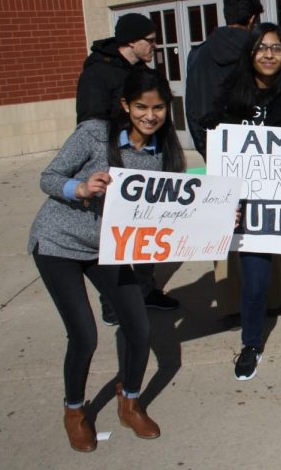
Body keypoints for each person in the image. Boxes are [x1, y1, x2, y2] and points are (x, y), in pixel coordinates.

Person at [29, 69, 185, 452]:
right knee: (84, 334)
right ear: (125, 106)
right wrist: (79, 187)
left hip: (108, 250)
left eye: (159, 108)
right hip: (58, 243)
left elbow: (176, 208)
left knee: (139, 327)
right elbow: (49, 177)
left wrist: (218, 217)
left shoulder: (163, 154)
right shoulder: (94, 134)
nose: (150, 116)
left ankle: (129, 401)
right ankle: (75, 411)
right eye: (141, 107)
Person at [204, 22, 281, 385]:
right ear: (250, 54)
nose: (269, 54)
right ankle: (250, 344)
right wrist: (224, 199)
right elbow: (221, 153)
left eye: (276, 48)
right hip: (251, 209)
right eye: (261, 47)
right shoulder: (232, 97)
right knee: (255, 283)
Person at [186, 0, 281, 322]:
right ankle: (270, 298)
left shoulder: (197, 55)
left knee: (228, 227)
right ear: (254, 17)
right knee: (263, 223)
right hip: (266, 157)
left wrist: (209, 150)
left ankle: (230, 303)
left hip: (219, 153)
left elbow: (191, 106)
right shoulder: (265, 47)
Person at [76, 12, 179, 319]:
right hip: (114, 167)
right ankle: (113, 303)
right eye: (150, 40)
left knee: (146, 231)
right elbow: (90, 125)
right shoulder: (98, 74)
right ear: (132, 41)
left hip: (148, 162)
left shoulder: (143, 71)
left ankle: (146, 290)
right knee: (115, 236)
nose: (155, 46)